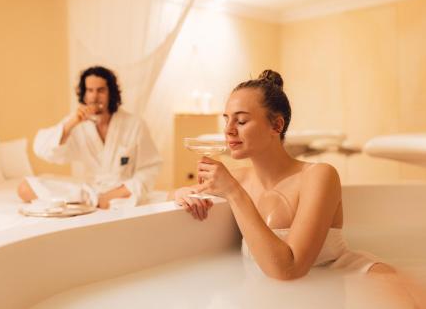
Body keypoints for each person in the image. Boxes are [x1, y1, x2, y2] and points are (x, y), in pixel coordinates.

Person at [172, 70, 425, 293]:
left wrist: (234, 193)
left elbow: (289, 269)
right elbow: (172, 199)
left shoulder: (319, 176)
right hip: (275, 291)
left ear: (276, 125)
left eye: (241, 120)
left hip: (350, 281)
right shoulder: (238, 178)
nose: (228, 130)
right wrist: (182, 193)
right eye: (225, 119)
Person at [18, 66, 162, 209]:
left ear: (111, 93)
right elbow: (43, 150)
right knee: (25, 187)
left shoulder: (134, 124)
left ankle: (96, 201)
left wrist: (114, 194)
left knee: (170, 197)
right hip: (90, 192)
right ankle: (93, 200)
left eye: (100, 90)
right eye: (90, 90)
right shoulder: (76, 123)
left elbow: (149, 168)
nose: (94, 96)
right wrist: (72, 123)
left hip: (123, 193)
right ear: (84, 94)